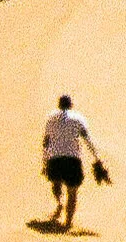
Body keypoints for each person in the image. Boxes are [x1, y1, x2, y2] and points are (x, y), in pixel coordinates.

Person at [40, 94, 105, 230]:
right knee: (72, 191)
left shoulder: (51, 118)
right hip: (72, 160)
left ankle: (59, 202)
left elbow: (46, 141)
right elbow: (88, 140)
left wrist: (45, 161)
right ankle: (68, 222)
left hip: (55, 158)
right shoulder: (78, 118)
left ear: (59, 105)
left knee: (56, 183)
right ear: (71, 105)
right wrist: (97, 159)